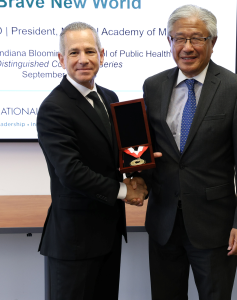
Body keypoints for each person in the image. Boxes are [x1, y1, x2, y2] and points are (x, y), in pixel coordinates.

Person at [141, 5, 237, 300]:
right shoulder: (153, 86)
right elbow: (147, 149)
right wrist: (136, 175)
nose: (187, 47)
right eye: (179, 38)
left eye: (197, 38)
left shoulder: (235, 89)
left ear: (213, 42)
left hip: (214, 227)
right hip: (163, 224)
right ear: (169, 42)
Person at [36, 22, 147, 300]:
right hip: (74, 242)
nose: (83, 59)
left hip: (108, 235)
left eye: (90, 51)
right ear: (61, 59)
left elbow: (118, 157)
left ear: (102, 55)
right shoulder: (53, 108)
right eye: (74, 53)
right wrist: (125, 191)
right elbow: (71, 172)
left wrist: (141, 167)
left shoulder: (109, 98)